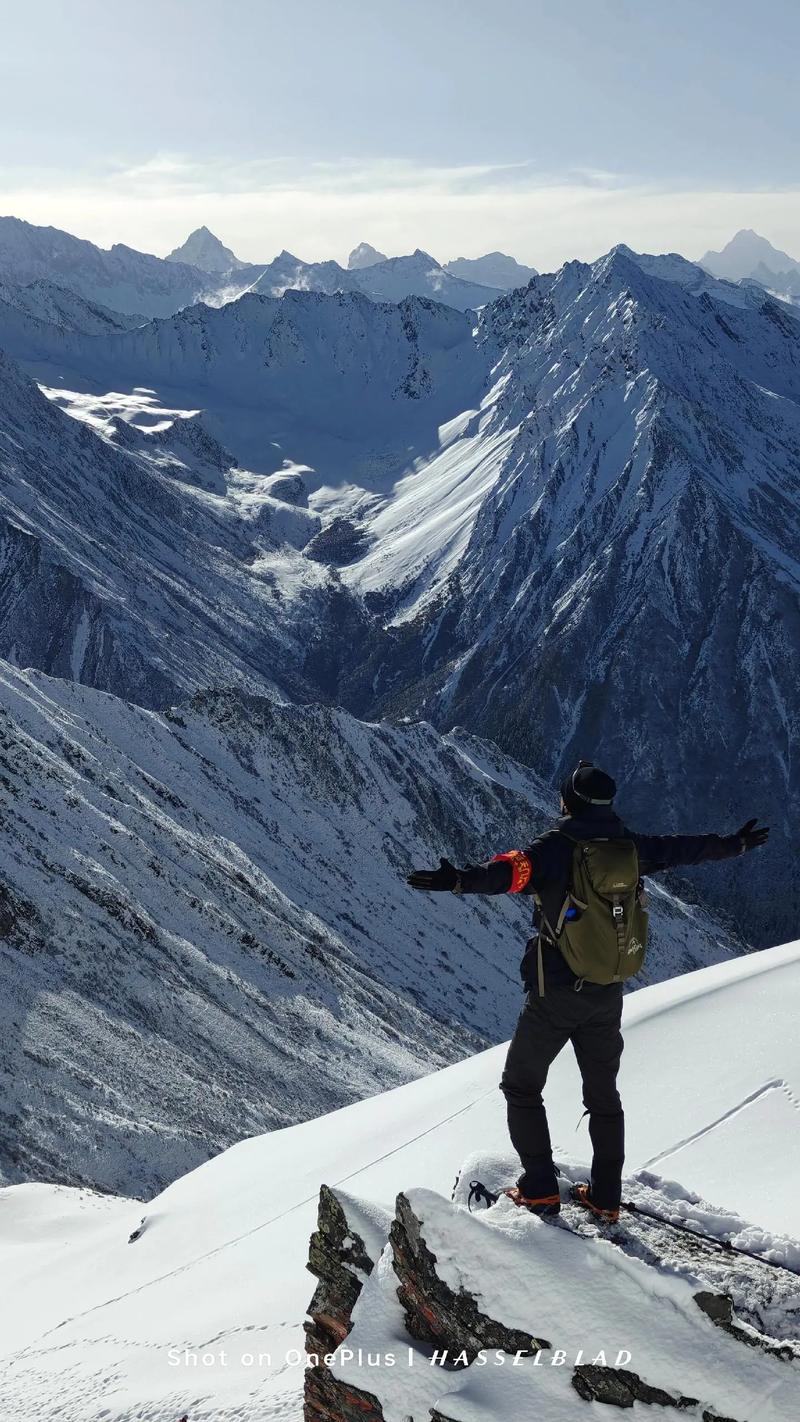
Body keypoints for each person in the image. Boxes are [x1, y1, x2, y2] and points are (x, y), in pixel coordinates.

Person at [407, 760, 768, 1224]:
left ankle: (538, 1188)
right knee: (603, 1096)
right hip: (607, 993)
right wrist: (734, 844)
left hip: (554, 995)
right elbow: (684, 849)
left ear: (568, 802)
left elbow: (508, 874)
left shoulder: (557, 847)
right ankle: (605, 1196)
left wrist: (457, 879)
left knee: (521, 1085)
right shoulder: (630, 847)